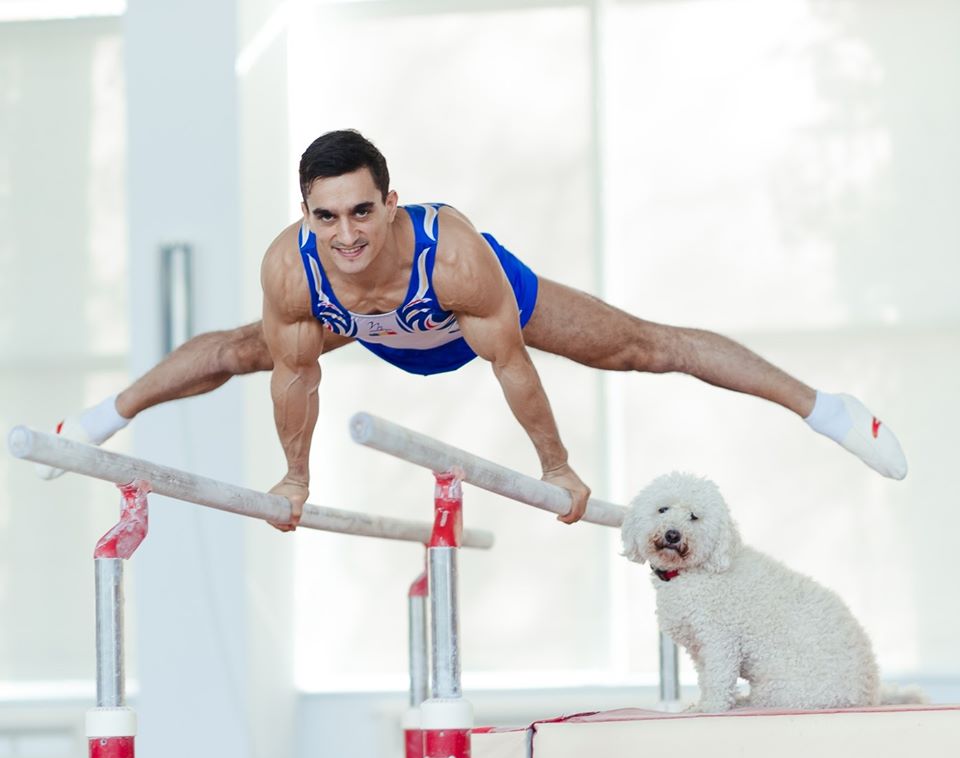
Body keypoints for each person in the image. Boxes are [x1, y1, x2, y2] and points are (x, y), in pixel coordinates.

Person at [40, 130, 907, 528]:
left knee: (645, 347)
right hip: (368, 325)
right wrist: (295, 478)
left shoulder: (450, 257)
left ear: (391, 201)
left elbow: (512, 367)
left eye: (362, 211)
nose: (347, 234)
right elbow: (295, 375)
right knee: (241, 349)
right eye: (326, 217)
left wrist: (555, 466)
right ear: (305, 214)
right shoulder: (293, 269)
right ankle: (98, 418)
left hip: (466, 318)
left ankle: (827, 408)